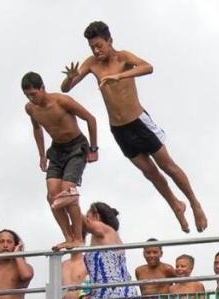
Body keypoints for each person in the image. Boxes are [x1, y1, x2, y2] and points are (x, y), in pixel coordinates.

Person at [61, 21, 207, 233]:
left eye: (99, 45)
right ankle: (176, 205)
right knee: (150, 173)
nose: (96, 50)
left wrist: (119, 76)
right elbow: (67, 88)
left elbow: (148, 67)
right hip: (119, 129)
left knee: (168, 167)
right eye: (92, 47)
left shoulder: (123, 57)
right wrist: (70, 78)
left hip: (139, 123)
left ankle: (194, 203)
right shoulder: (92, 63)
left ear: (110, 41)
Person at [22, 71, 100, 249]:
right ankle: (68, 236)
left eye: (33, 94)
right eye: (27, 95)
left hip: (76, 146)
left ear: (42, 88)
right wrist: (42, 155)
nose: (31, 98)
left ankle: (79, 238)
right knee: (52, 195)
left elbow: (90, 119)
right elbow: (37, 129)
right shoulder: (30, 109)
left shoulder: (61, 101)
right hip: (56, 150)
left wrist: (94, 148)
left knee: (68, 191)